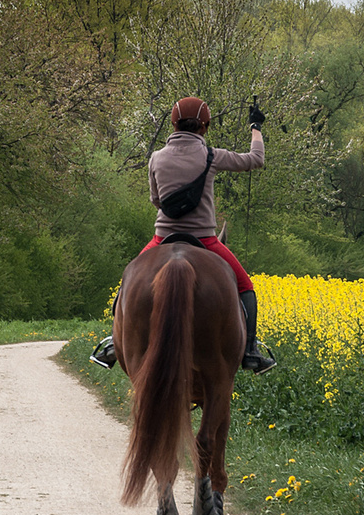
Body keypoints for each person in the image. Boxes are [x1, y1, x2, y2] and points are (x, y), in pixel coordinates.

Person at [92, 95, 275, 373]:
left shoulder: (156, 158)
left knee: (128, 282)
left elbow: (156, 199)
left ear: (174, 125)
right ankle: (250, 351)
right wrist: (255, 127)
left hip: (161, 238)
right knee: (246, 286)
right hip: (205, 240)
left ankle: (115, 344)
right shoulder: (213, 156)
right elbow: (256, 160)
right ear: (205, 126)